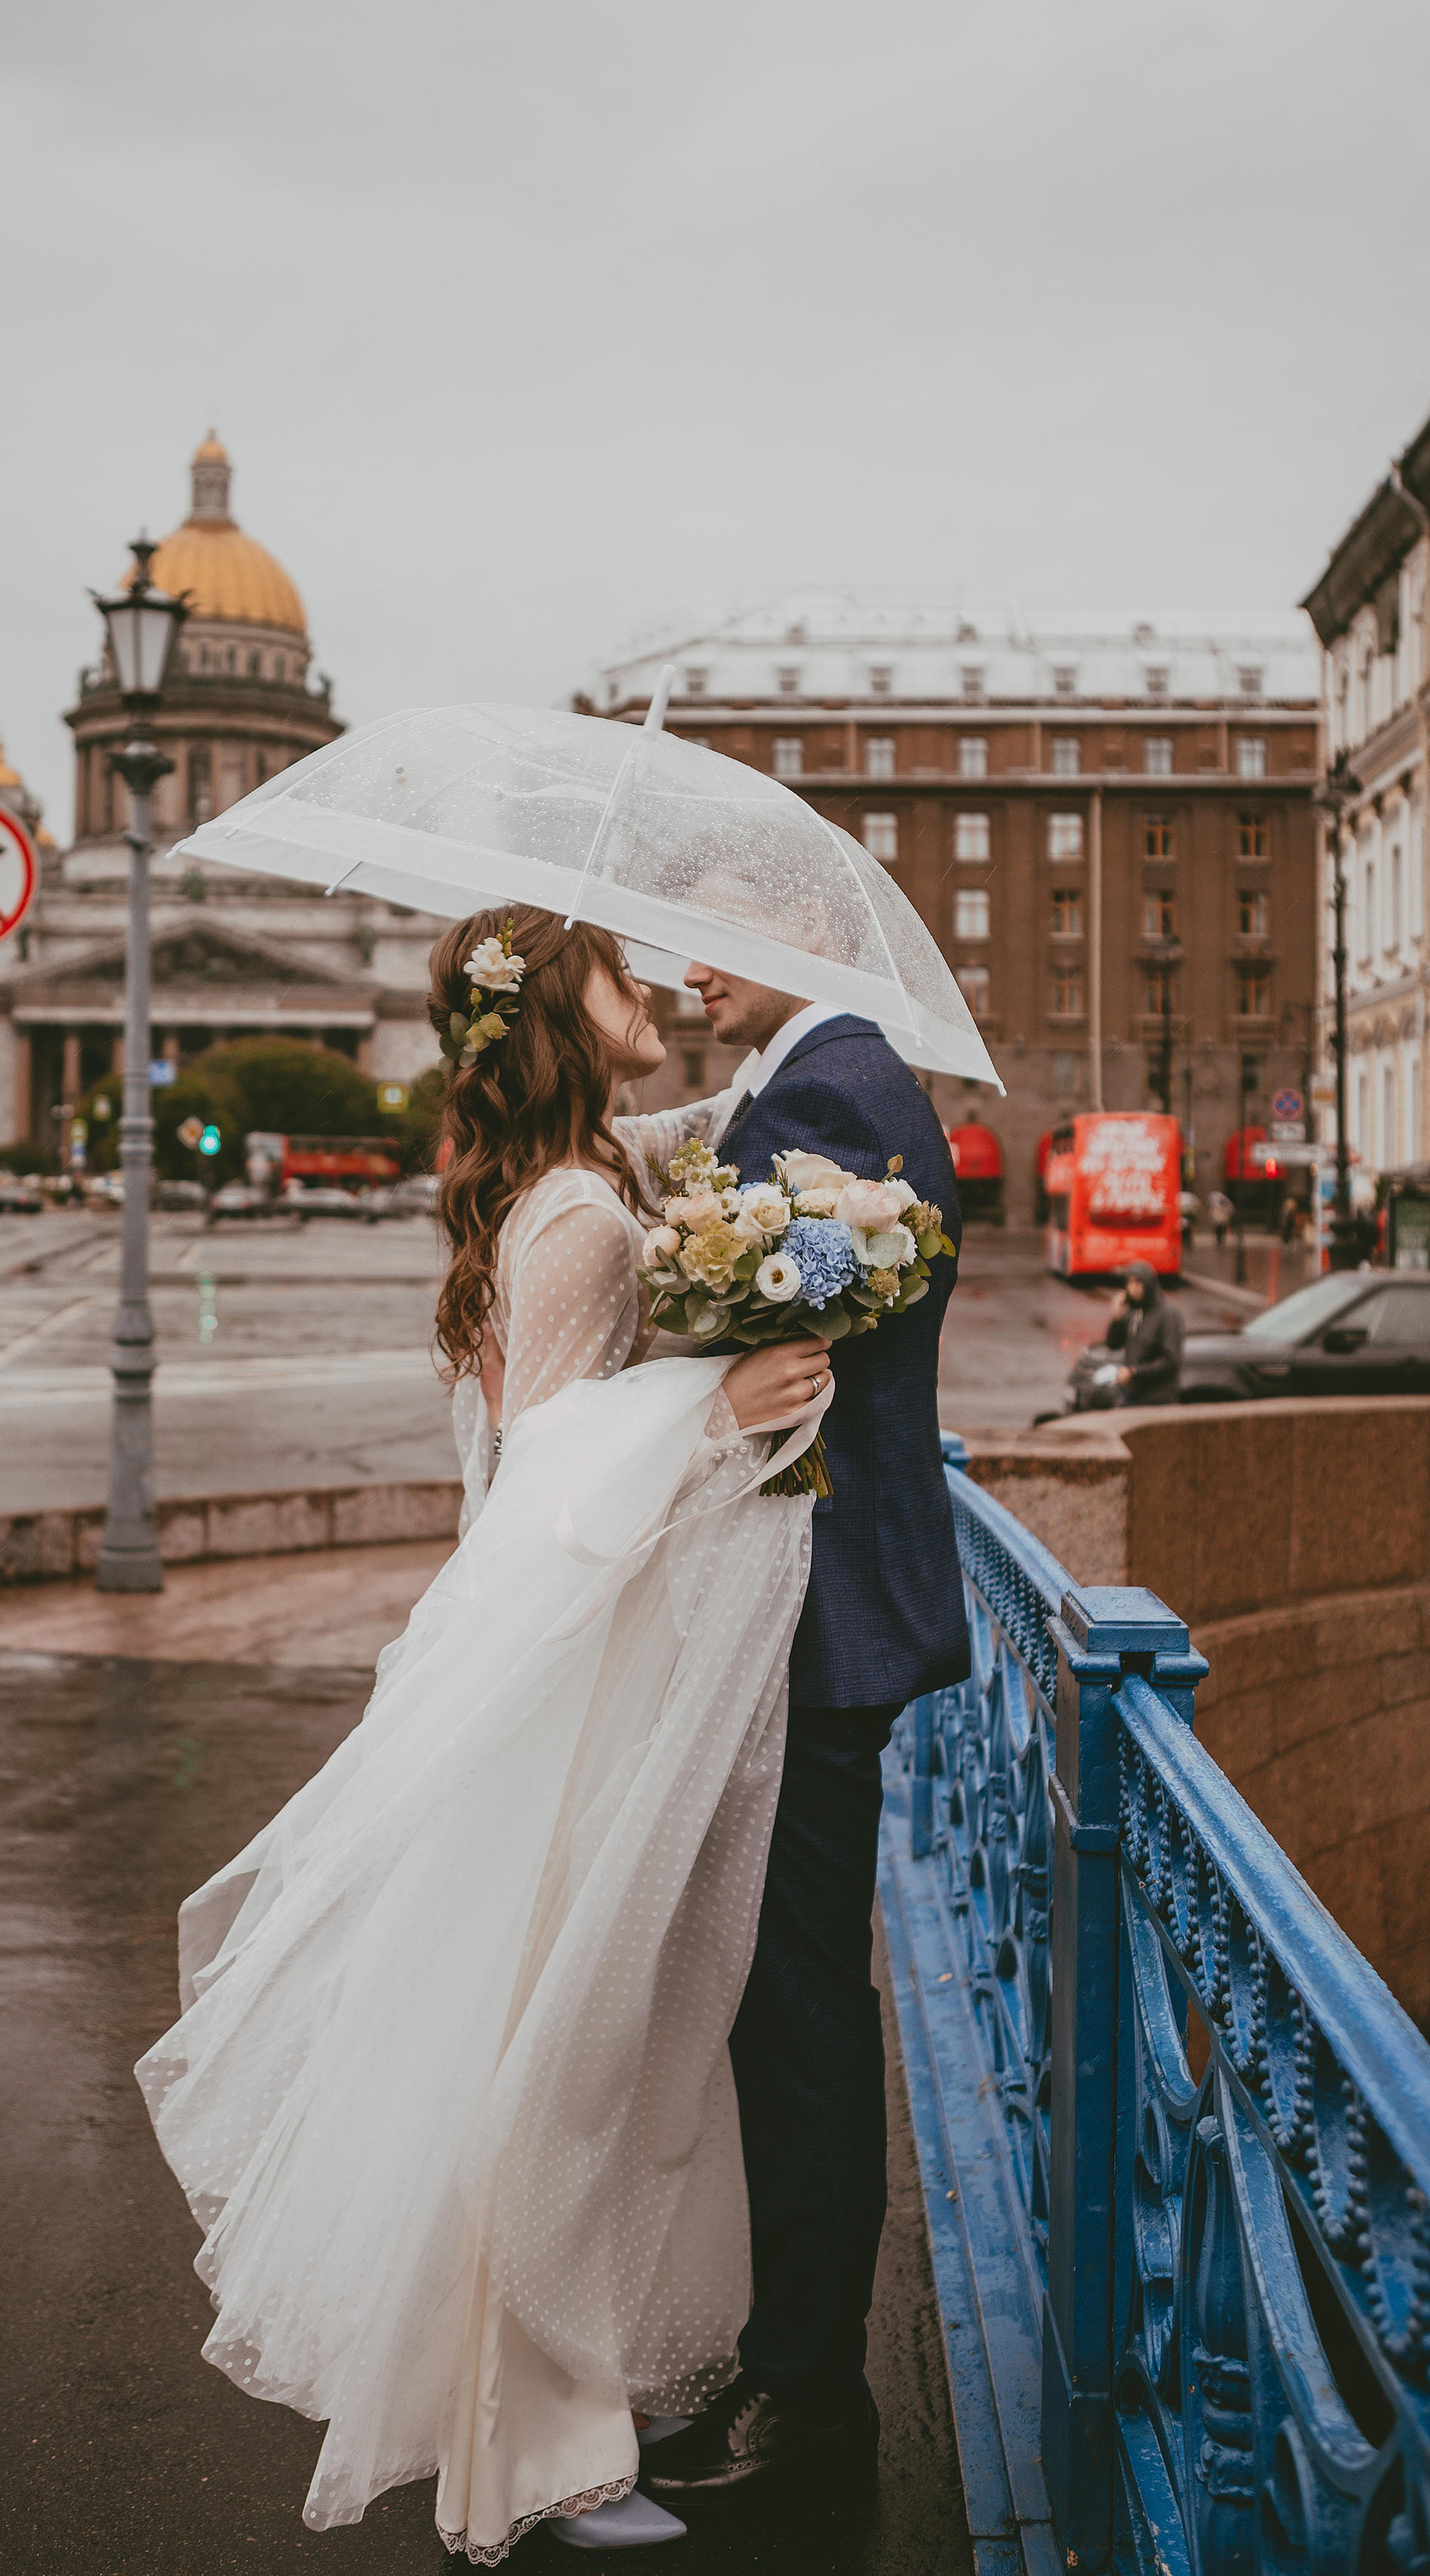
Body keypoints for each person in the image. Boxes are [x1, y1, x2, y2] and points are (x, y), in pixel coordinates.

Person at [138, 908, 835, 2560]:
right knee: (551, 2057)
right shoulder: (581, 1215)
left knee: (559, 2045)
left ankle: (553, 2402)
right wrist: (710, 1405)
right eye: (618, 973)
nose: (651, 987)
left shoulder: (586, 1172)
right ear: (563, 1016)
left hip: (567, 1670)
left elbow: (678, 1145)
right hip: (569, 1683)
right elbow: (543, 1479)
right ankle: (520, 2455)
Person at [635, 965, 966, 2508]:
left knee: (801, 2019)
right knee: (787, 2007)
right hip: (807, 1616)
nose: (681, 964)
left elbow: (788, 1358)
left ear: (799, 929)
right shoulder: (800, 1076)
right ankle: (790, 2367)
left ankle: (810, 2398)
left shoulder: (831, 1081)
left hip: (815, 1624)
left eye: (710, 932)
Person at [1100, 1260, 1183, 1405]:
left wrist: (1135, 1372)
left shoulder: (1168, 1314)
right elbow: (1113, 1344)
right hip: (1132, 1393)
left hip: (1158, 1397)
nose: (1134, 1288)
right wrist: (1117, 1319)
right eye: (1130, 1283)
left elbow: (1171, 1360)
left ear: (1149, 1284)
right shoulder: (1133, 1310)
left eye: (1139, 1283)